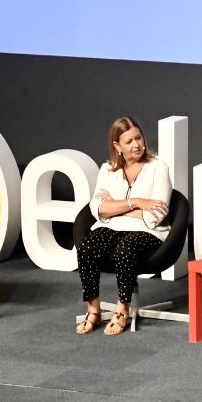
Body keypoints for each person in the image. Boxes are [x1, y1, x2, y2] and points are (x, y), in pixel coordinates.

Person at [76, 116, 172, 336]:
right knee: (88, 246)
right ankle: (93, 309)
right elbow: (97, 209)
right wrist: (136, 203)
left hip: (148, 231)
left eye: (138, 138)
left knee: (126, 247)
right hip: (113, 227)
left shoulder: (159, 167)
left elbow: (157, 213)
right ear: (117, 146)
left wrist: (115, 206)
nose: (136, 144)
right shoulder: (107, 170)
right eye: (129, 141)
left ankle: (122, 308)